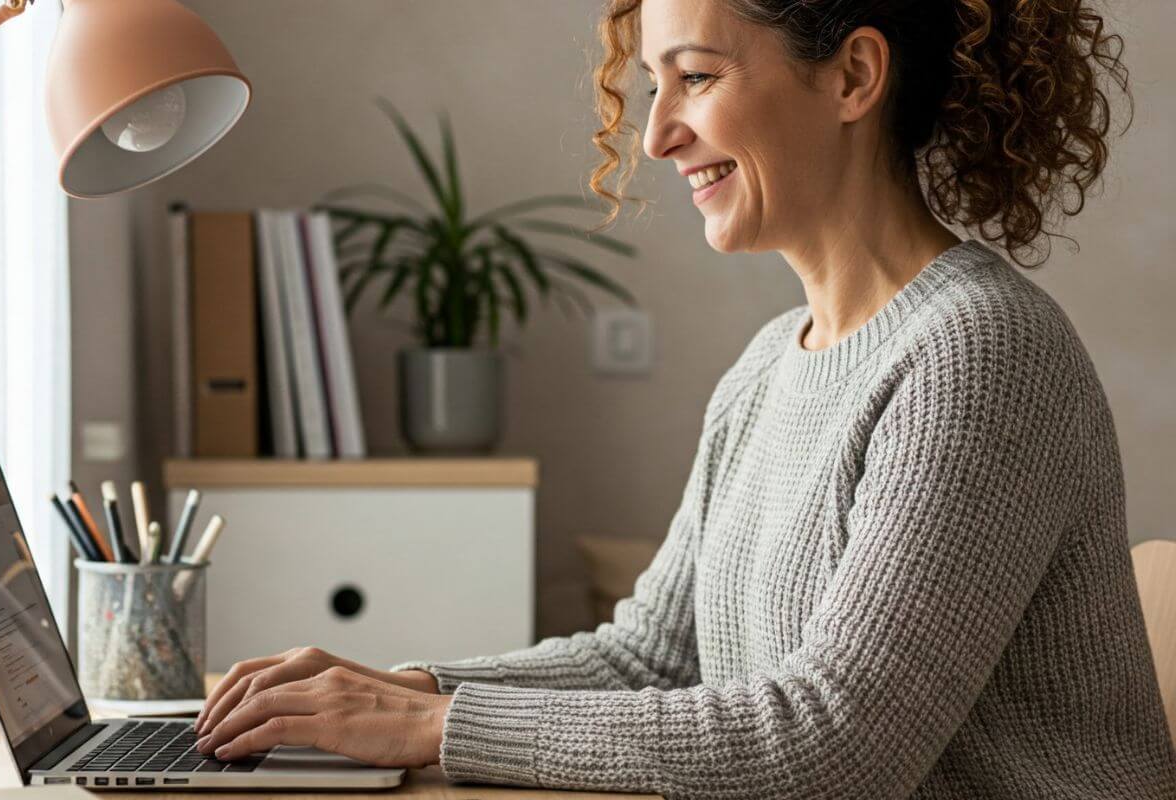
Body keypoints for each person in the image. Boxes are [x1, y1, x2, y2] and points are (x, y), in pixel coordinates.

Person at [190, 0, 1176, 797]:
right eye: (654, 82)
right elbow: (652, 657)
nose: (657, 132)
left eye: (697, 77)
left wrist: (429, 726)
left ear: (854, 76)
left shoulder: (977, 348)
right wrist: (402, 686)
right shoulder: (765, 368)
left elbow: (836, 742)